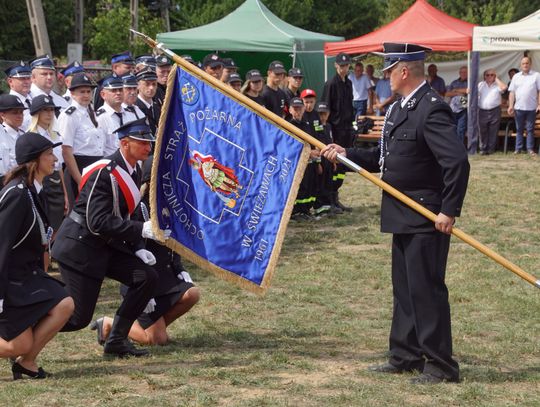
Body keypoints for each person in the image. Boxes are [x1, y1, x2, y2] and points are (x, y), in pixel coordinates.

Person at [322, 42, 470, 385]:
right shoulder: (399, 108)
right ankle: (405, 354)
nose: (385, 77)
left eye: (389, 71)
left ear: (404, 71)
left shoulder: (431, 109)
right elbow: (386, 161)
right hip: (401, 212)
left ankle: (441, 365)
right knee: (404, 289)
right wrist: (348, 154)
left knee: (426, 289)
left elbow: (457, 162)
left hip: (425, 215)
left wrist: (448, 210)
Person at [52, 118, 166, 358]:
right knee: (77, 318)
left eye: (149, 142)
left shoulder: (133, 169)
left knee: (145, 277)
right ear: (125, 144)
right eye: (142, 142)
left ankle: (116, 340)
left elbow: (129, 211)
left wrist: (137, 246)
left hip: (105, 245)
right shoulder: (105, 172)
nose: (148, 147)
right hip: (80, 247)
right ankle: (21, 330)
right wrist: (139, 230)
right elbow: (97, 221)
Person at [91, 157, 200, 346]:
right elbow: (131, 247)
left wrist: (179, 267)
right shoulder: (136, 207)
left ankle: (154, 328)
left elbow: (172, 242)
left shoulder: (170, 206)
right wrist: (145, 293)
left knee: (192, 294)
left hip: (165, 279)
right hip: (143, 282)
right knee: (156, 341)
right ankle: (109, 323)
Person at [0, 132, 74, 379]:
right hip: (11, 280)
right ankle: (23, 356)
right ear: (35, 160)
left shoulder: (32, 189)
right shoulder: (16, 194)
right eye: (49, 155)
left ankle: (27, 363)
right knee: (17, 345)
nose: (55, 159)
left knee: (64, 303)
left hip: (27, 274)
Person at [57, 73, 105, 208]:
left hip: (95, 166)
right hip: (78, 167)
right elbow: (66, 150)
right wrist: (80, 180)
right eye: (81, 92)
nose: (86, 95)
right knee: (79, 212)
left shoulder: (91, 112)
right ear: (72, 93)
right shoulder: (69, 115)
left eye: (88, 91)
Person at [28, 95, 68, 233]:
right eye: (45, 110)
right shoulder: (30, 136)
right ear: (36, 113)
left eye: (51, 110)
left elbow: (60, 167)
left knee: (56, 226)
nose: (49, 113)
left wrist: (65, 193)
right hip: (40, 180)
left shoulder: (55, 135)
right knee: (43, 225)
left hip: (56, 181)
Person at [322, 52, 354, 212]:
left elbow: (350, 106)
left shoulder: (348, 83)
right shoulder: (331, 84)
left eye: (346, 66)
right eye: (341, 66)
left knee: (342, 167)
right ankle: (329, 199)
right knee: (333, 165)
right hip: (335, 130)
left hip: (347, 130)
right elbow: (325, 110)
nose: (344, 68)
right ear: (336, 66)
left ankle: (336, 196)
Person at [288, 97, 319, 220]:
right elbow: (291, 146)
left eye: (300, 108)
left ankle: (305, 210)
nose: (298, 111)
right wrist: (308, 153)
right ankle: (296, 212)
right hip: (297, 162)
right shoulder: (289, 125)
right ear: (290, 110)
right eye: (295, 109)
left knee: (308, 186)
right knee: (299, 187)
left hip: (309, 161)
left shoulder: (306, 124)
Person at [96, 76, 137, 156]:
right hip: (110, 164)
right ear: (103, 94)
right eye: (113, 90)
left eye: (120, 90)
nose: (118, 93)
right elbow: (99, 149)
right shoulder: (99, 117)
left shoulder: (131, 114)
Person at [507, 56, 540, 155]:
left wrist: (539, 104)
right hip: (518, 108)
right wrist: (511, 106)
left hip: (531, 108)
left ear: (530, 64)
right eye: (523, 63)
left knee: (530, 129)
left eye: (527, 63)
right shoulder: (516, 76)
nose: (525, 65)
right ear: (521, 65)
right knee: (519, 129)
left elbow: (539, 91)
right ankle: (518, 149)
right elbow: (512, 92)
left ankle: (530, 149)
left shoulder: (536, 75)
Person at [477, 69, 507, 155]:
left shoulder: (498, 85)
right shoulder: (480, 84)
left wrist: (496, 79)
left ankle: (490, 149)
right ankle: (483, 148)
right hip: (482, 110)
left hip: (495, 110)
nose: (489, 76)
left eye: (492, 75)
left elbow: (504, 88)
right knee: (482, 130)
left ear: (495, 76)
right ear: (484, 76)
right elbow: (474, 93)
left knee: (493, 130)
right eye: (487, 75)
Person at [0, 95, 26, 181]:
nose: (19, 116)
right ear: (2, 115)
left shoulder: (24, 134)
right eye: (15, 112)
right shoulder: (1, 135)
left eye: (21, 112)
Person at [5, 61, 33, 131]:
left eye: (28, 78)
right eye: (22, 79)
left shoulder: (35, 99)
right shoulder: (6, 104)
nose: (26, 82)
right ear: (10, 81)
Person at [446, 66, 468, 143]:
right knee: (453, 128)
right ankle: (453, 146)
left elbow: (469, 90)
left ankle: (459, 147)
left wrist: (456, 90)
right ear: (459, 73)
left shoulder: (470, 82)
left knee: (461, 129)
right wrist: (459, 93)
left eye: (465, 72)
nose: (463, 74)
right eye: (462, 72)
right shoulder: (454, 82)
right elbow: (447, 93)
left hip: (464, 108)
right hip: (453, 109)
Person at [135, 68, 161, 135]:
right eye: (147, 84)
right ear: (138, 85)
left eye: (154, 84)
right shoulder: (134, 108)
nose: (151, 88)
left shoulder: (158, 108)